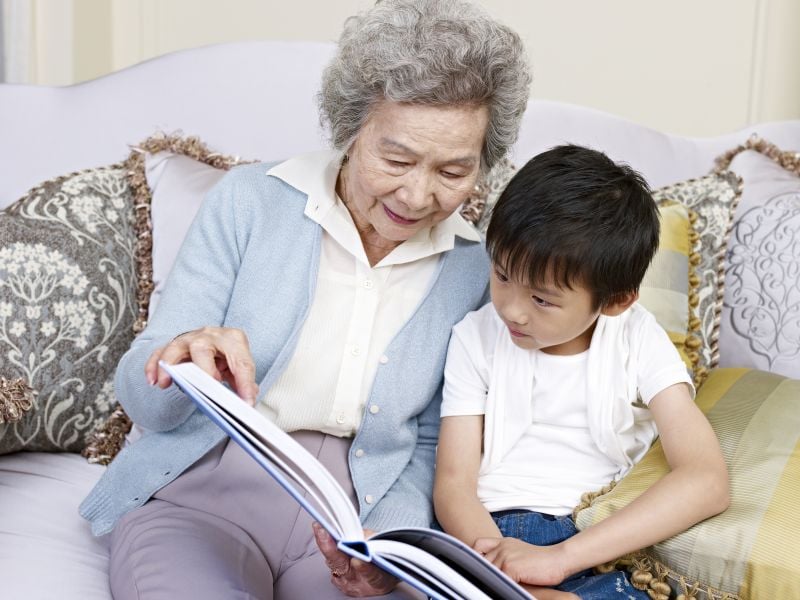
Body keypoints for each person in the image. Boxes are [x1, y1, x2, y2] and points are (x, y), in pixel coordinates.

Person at [79, 0, 531, 598]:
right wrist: (177, 355)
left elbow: (430, 440)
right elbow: (147, 402)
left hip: (352, 514)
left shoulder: (476, 268)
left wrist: (389, 545)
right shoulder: (248, 203)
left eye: (452, 172)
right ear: (350, 130)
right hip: (204, 491)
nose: (418, 195)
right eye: (395, 159)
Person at [433, 145, 730, 600]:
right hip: (489, 534)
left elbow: (706, 480)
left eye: (543, 299)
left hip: (600, 538)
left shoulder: (635, 337)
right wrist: (499, 571)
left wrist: (561, 560)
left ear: (614, 302)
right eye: (502, 274)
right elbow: (454, 484)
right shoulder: (475, 336)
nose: (511, 309)